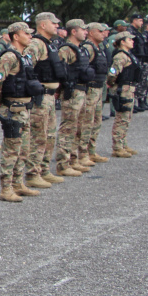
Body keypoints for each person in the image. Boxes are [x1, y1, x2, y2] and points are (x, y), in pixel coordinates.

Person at [0, 22, 42, 202]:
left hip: (25, 107)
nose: (30, 36)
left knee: (23, 149)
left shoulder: (24, 56)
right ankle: (6, 187)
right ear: (16, 36)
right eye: (26, 33)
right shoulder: (9, 57)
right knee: (11, 151)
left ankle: (18, 183)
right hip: (13, 108)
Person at [24, 12, 66, 189]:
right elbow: (26, 68)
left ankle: (43, 168)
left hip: (50, 96)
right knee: (39, 136)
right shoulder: (36, 44)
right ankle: (32, 173)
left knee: (49, 135)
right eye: (53, 23)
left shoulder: (50, 44)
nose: (57, 26)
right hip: (40, 97)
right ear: (43, 25)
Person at [54, 19, 93, 176]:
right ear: (74, 32)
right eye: (83, 29)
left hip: (82, 90)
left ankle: (73, 159)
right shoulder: (66, 49)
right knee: (68, 128)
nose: (86, 32)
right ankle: (63, 163)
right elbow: (60, 71)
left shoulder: (81, 49)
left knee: (78, 128)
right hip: (72, 92)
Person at [77, 23, 110, 164]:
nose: (104, 33)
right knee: (87, 122)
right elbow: (84, 68)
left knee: (96, 121)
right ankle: (82, 153)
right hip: (90, 89)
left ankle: (91, 150)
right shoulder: (88, 48)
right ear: (91, 33)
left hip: (98, 88)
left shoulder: (99, 48)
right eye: (100, 31)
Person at [106, 31, 140, 158]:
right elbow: (112, 74)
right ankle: (117, 147)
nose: (132, 41)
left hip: (129, 87)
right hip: (122, 88)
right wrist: (111, 84)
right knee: (122, 118)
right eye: (130, 39)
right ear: (122, 42)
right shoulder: (120, 56)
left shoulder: (128, 55)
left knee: (127, 117)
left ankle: (123, 143)